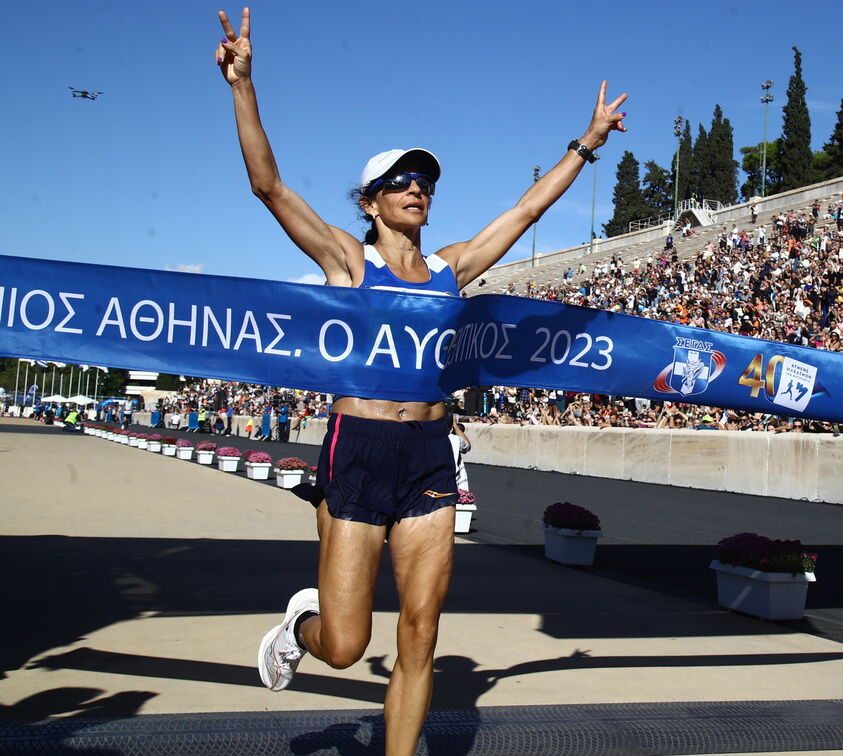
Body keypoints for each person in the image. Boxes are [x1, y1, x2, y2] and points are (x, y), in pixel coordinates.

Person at [215, 9, 627, 754]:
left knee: (420, 633)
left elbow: (528, 209)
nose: (418, 189)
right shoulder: (348, 261)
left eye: (426, 181)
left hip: (431, 455)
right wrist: (244, 85)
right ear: (370, 202)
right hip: (358, 450)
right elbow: (269, 185)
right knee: (345, 644)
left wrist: (586, 145)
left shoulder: (450, 269)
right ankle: (300, 624)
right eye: (401, 181)